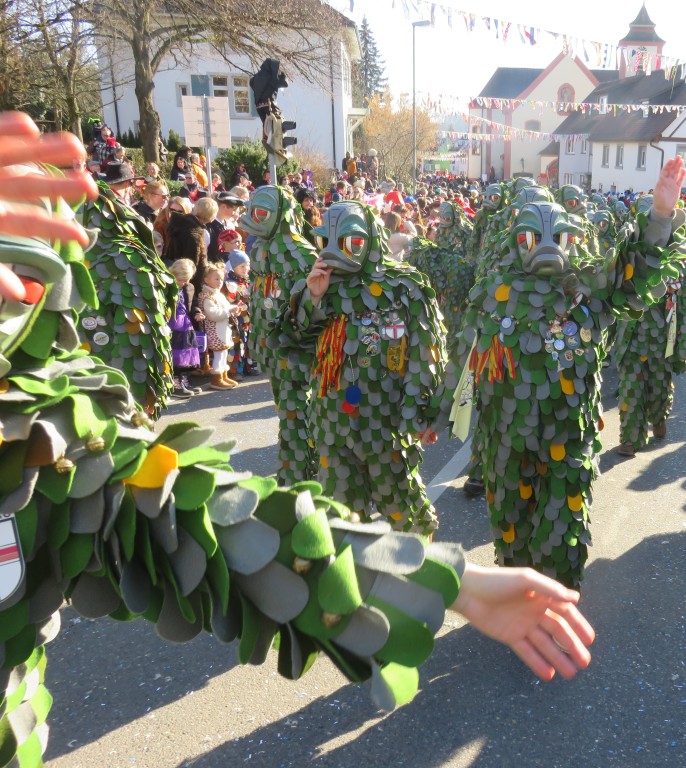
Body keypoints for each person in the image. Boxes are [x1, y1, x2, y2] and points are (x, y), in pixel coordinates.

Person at [0, 112, 595, 767]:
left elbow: (430, 349)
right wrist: (310, 299)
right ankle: (359, 604)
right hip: (341, 429)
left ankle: (403, 585)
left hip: (391, 430)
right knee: (341, 506)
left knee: (399, 510)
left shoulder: (404, 287)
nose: (345, 246)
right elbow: (285, 345)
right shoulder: (326, 292)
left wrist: (432, 421)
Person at [200, 263, 241, 390]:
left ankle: (223, 375)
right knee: (219, 354)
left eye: (221, 279)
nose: (220, 282)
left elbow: (225, 307)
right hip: (215, 331)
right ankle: (216, 378)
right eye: (216, 279)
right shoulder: (208, 297)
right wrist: (229, 312)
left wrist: (232, 309)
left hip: (223, 329)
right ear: (207, 280)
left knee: (223, 353)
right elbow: (213, 315)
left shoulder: (218, 294)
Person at [166, 259, 203, 398]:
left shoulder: (189, 287)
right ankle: (175, 383)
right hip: (173, 324)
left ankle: (184, 381)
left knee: (187, 354)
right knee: (176, 354)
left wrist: (197, 312)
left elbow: (193, 303)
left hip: (185, 325)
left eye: (187, 280)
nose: (184, 283)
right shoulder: (167, 286)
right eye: (181, 280)